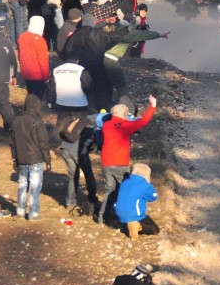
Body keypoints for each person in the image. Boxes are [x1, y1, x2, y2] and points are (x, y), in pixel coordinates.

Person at [98, 95, 157, 225]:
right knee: (123, 191)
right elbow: (143, 121)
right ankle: (122, 219)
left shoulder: (106, 125)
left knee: (109, 190)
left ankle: (102, 217)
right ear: (125, 114)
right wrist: (152, 106)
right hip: (120, 163)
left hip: (106, 162)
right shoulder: (125, 126)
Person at [10, 94, 51, 220]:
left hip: (21, 158)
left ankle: (20, 211)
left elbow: (13, 143)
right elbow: (43, 143)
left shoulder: (16, 120)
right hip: (35, 159)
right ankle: (33, 213)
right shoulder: (38, 121)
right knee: (35, 186)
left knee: (22, 185)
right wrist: (47, 160)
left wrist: (15, 159)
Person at [103, 26, 170, 103]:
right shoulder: (129, 35)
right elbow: (142, 34)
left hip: (106, 58)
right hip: (111, 60)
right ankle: (122, 105)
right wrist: (158, 34)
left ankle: (107, 102)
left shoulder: (115, 34)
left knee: (109, 81)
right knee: (121, 84)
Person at [115, 163, 159, 239]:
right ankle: (137, 226)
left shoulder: (125, 182)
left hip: (119, 212)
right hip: (134, 214)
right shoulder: (144, 185)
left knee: (129, 214)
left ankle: (126, 226)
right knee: (155, 229)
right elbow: (153, 197)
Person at [47, 57, 93, 129]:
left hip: (61, 104)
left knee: (61, 126)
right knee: (79, 126)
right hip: (80, 104)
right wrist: (89, 99)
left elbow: (51, 89)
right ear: (77, 60)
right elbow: (88, 86)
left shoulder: (56, 70)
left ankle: (60, 137)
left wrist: (51, 102)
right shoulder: (81, 70)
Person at [17, 16, 50, 100]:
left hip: (26, 72)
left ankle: (28, 110)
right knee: (37, 99)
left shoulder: (22, 37)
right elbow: (43, 61)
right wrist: (46, 77)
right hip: (37, 75)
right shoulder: (40, 40)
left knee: (30, 95)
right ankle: (34, 111)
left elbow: (19, 54)